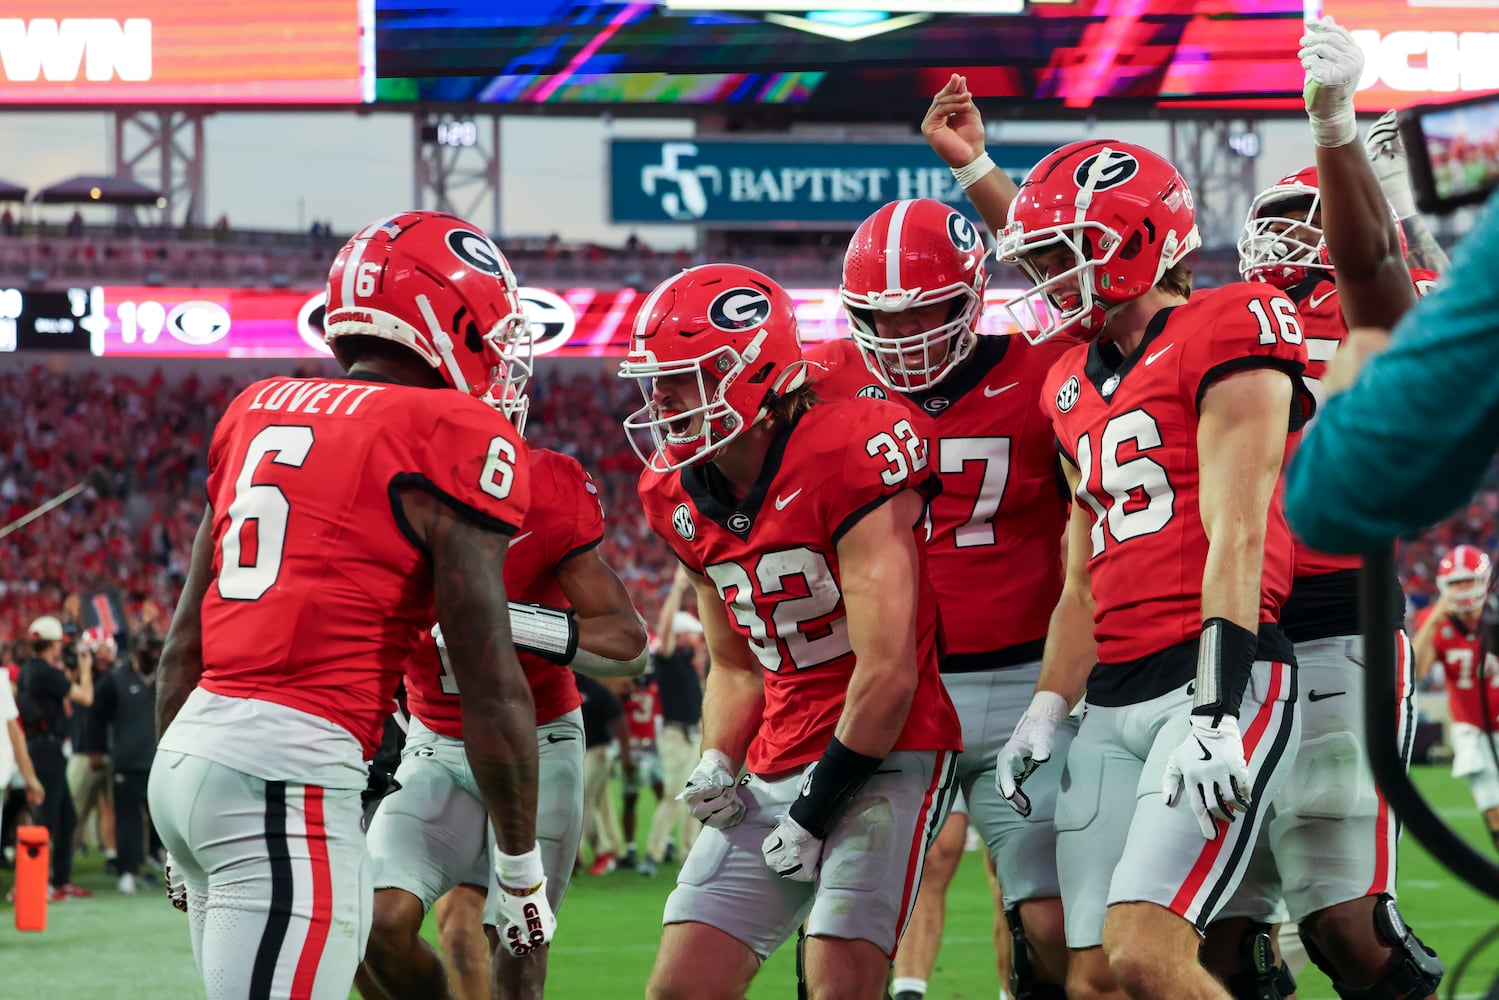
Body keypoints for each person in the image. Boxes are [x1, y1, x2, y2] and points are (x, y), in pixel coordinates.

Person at [148, 210, 550, 1000]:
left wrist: (175, 824)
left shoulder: (258, 405)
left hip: (189, 756)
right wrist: (519, 865)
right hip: (285, 776)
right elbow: (490, 681)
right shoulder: (448, 430)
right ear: (449, 322)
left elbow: (179, 653)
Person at [985, 135, 1312, 1000]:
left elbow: (1236, 532)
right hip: (1111, 695)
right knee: (1091, 977)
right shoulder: (1065, 382)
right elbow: (1081, 575)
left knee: (1143, 952)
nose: (1047, 277)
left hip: (1215, 675)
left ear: (1132, 242)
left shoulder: (1227, 323)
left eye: (1062, 253)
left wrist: (1216, 706)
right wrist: (1045, 708)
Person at [619, 262, 963, 999]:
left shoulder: (847, 450)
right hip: (778, 750)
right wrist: (717, 759)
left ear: (751, 373)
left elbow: (888, 671)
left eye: (682, 377)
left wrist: (814, 809)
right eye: (655, 380)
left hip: (886, 751)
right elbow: (735, 666)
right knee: (678, 989)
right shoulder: (673, 492)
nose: (661, 399)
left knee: (838, 985)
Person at [1205, 19, 1445, 1000]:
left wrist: (1392, 206)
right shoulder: (1219, 316)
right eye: (1273, 220)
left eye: (1305, 220)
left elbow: (1409, 301)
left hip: (1341, 609)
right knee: (1217, 929)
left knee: (1344, 918)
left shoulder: (1383, 296)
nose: (1281, 238)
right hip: (1230, 615)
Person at [809, 192, 1076, 1000]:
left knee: (1052, 921)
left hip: (1022, 678)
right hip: (891, 686)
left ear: (973, 295)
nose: (900, 332)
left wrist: (977, 171)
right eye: (879, 315)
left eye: (923, 310)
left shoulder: (1044, 367)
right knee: (844, 919)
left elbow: (1074, 267)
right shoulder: (821, 380)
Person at [360, 405, 648, 1000]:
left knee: (517, 944)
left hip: (539, 741)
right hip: (435, 742)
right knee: (376, 923)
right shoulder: (370, 497)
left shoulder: (545, 489)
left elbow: (628, 645)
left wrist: (504, 618)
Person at [1282, 179, 1499, 553]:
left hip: (1334, 504)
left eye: (1305, 222)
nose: (1285, 236)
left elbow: (1329, 501)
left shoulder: (1249, 311)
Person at [1412, 546, 1499, 855]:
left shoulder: (1494, 617)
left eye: (1468, 580)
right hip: (1471, 729)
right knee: (1494, 810)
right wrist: (1434, 618)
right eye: (1456, 582)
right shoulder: (1435, 620)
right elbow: (1416, 671)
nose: (1463, 589)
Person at [18, 614, 93, 900]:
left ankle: (59, 880)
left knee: (65, 818)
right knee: (48, 819)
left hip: (40, 748)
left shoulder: (28, 670)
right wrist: (85, 670)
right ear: (53, 644)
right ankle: (35, 883)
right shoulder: (47, 673)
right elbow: (85, 697)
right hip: (48, 751)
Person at [638, 570, 706, 879]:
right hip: (676, 735)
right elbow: (664, 633)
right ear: (681, 635)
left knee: (695, 796)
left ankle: (688, 854)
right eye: (692, 634)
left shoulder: (691, 665)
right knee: (671, 795)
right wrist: (677, 590)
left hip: (693, 736)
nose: (697, 639)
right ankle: (653, 854)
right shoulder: (669, 659)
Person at [90, 631, 163, 896]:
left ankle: (159, 862)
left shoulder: (166, 677)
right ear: (135, 651)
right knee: (127, 820)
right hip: (128, 761)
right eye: (149, 648)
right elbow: (96, 715)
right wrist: (96, 749)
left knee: (166, 818)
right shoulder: (116, 679)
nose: (154, 653)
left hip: (160, 761)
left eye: (157, 647)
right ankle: (127, 872)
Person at [577, 672, 632, 876]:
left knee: (582, 800)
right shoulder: (572, 687)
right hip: (580, 753)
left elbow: (618, 720)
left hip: (598, 751)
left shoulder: (593, 690)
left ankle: (602, 851)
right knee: (597, 804)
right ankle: (614, 849)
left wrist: (626, 756)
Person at [621, 671, 666, 870]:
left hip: (651, 746)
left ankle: (665, 841)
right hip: (635, 748)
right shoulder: (624, 688)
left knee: (663, 796)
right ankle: (630, 847)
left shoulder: (655, 685)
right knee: (631, 799)